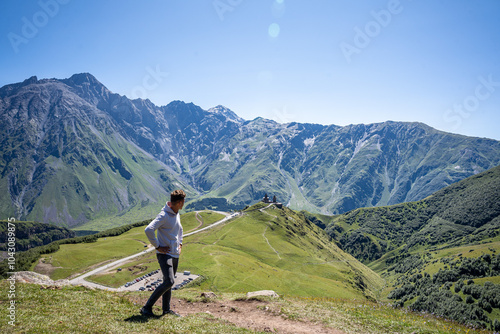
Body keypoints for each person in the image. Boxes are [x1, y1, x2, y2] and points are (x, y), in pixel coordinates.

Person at [140, 189, 186, 317]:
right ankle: (146, 307)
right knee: (169, 281)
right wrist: (158, 246)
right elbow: (149, 229)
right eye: (183, 202)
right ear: (180, 203)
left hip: (175, 253)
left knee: (168, 283)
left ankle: (166, 310)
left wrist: (180, 243)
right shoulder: (164, 215)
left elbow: (180, 230)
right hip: (165, 254)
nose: (183, 204)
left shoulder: (176, 213)